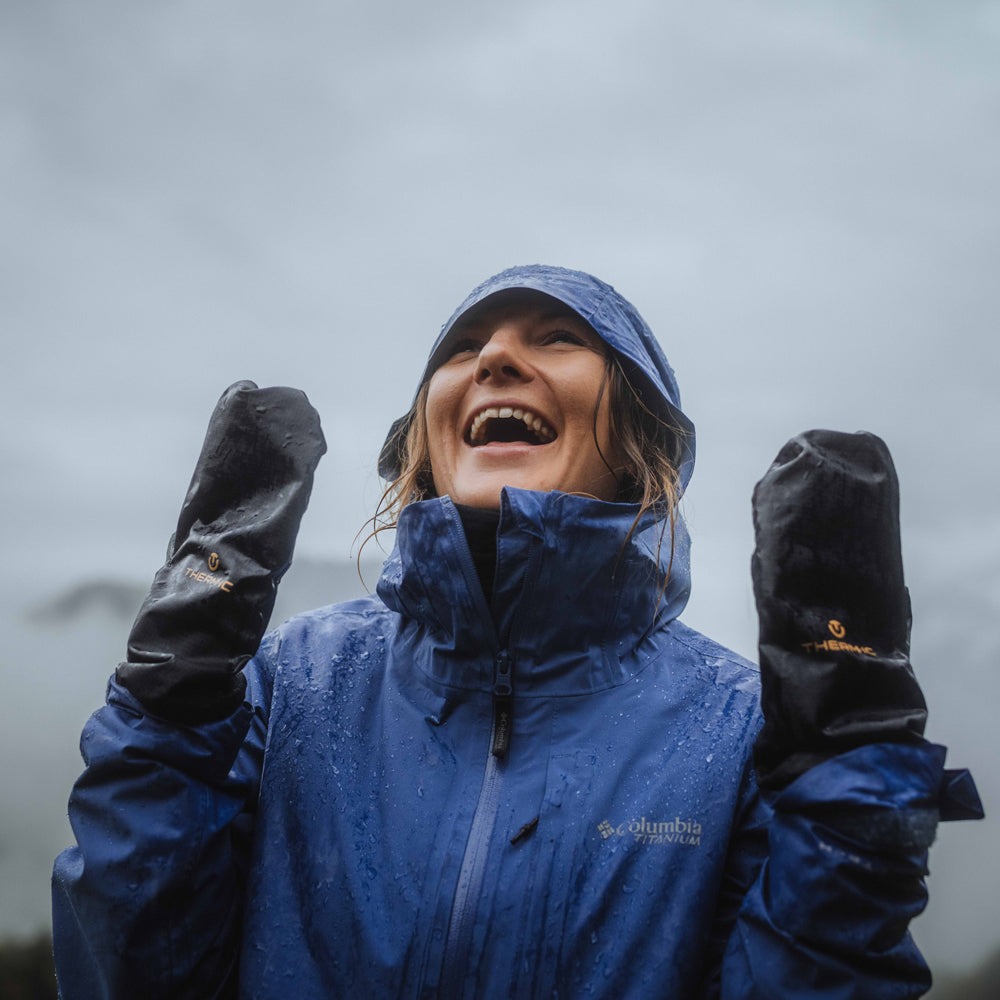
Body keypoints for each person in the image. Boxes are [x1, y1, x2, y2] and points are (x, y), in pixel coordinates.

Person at [52, 265, 981, 999]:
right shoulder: (288, 682)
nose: (493, 358)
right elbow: (134, 970)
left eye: (559, 338)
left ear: (639, 439)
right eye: (462, 347)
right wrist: (162, 725)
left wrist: (850, 822)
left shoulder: (738, 733)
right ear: (427, 433)